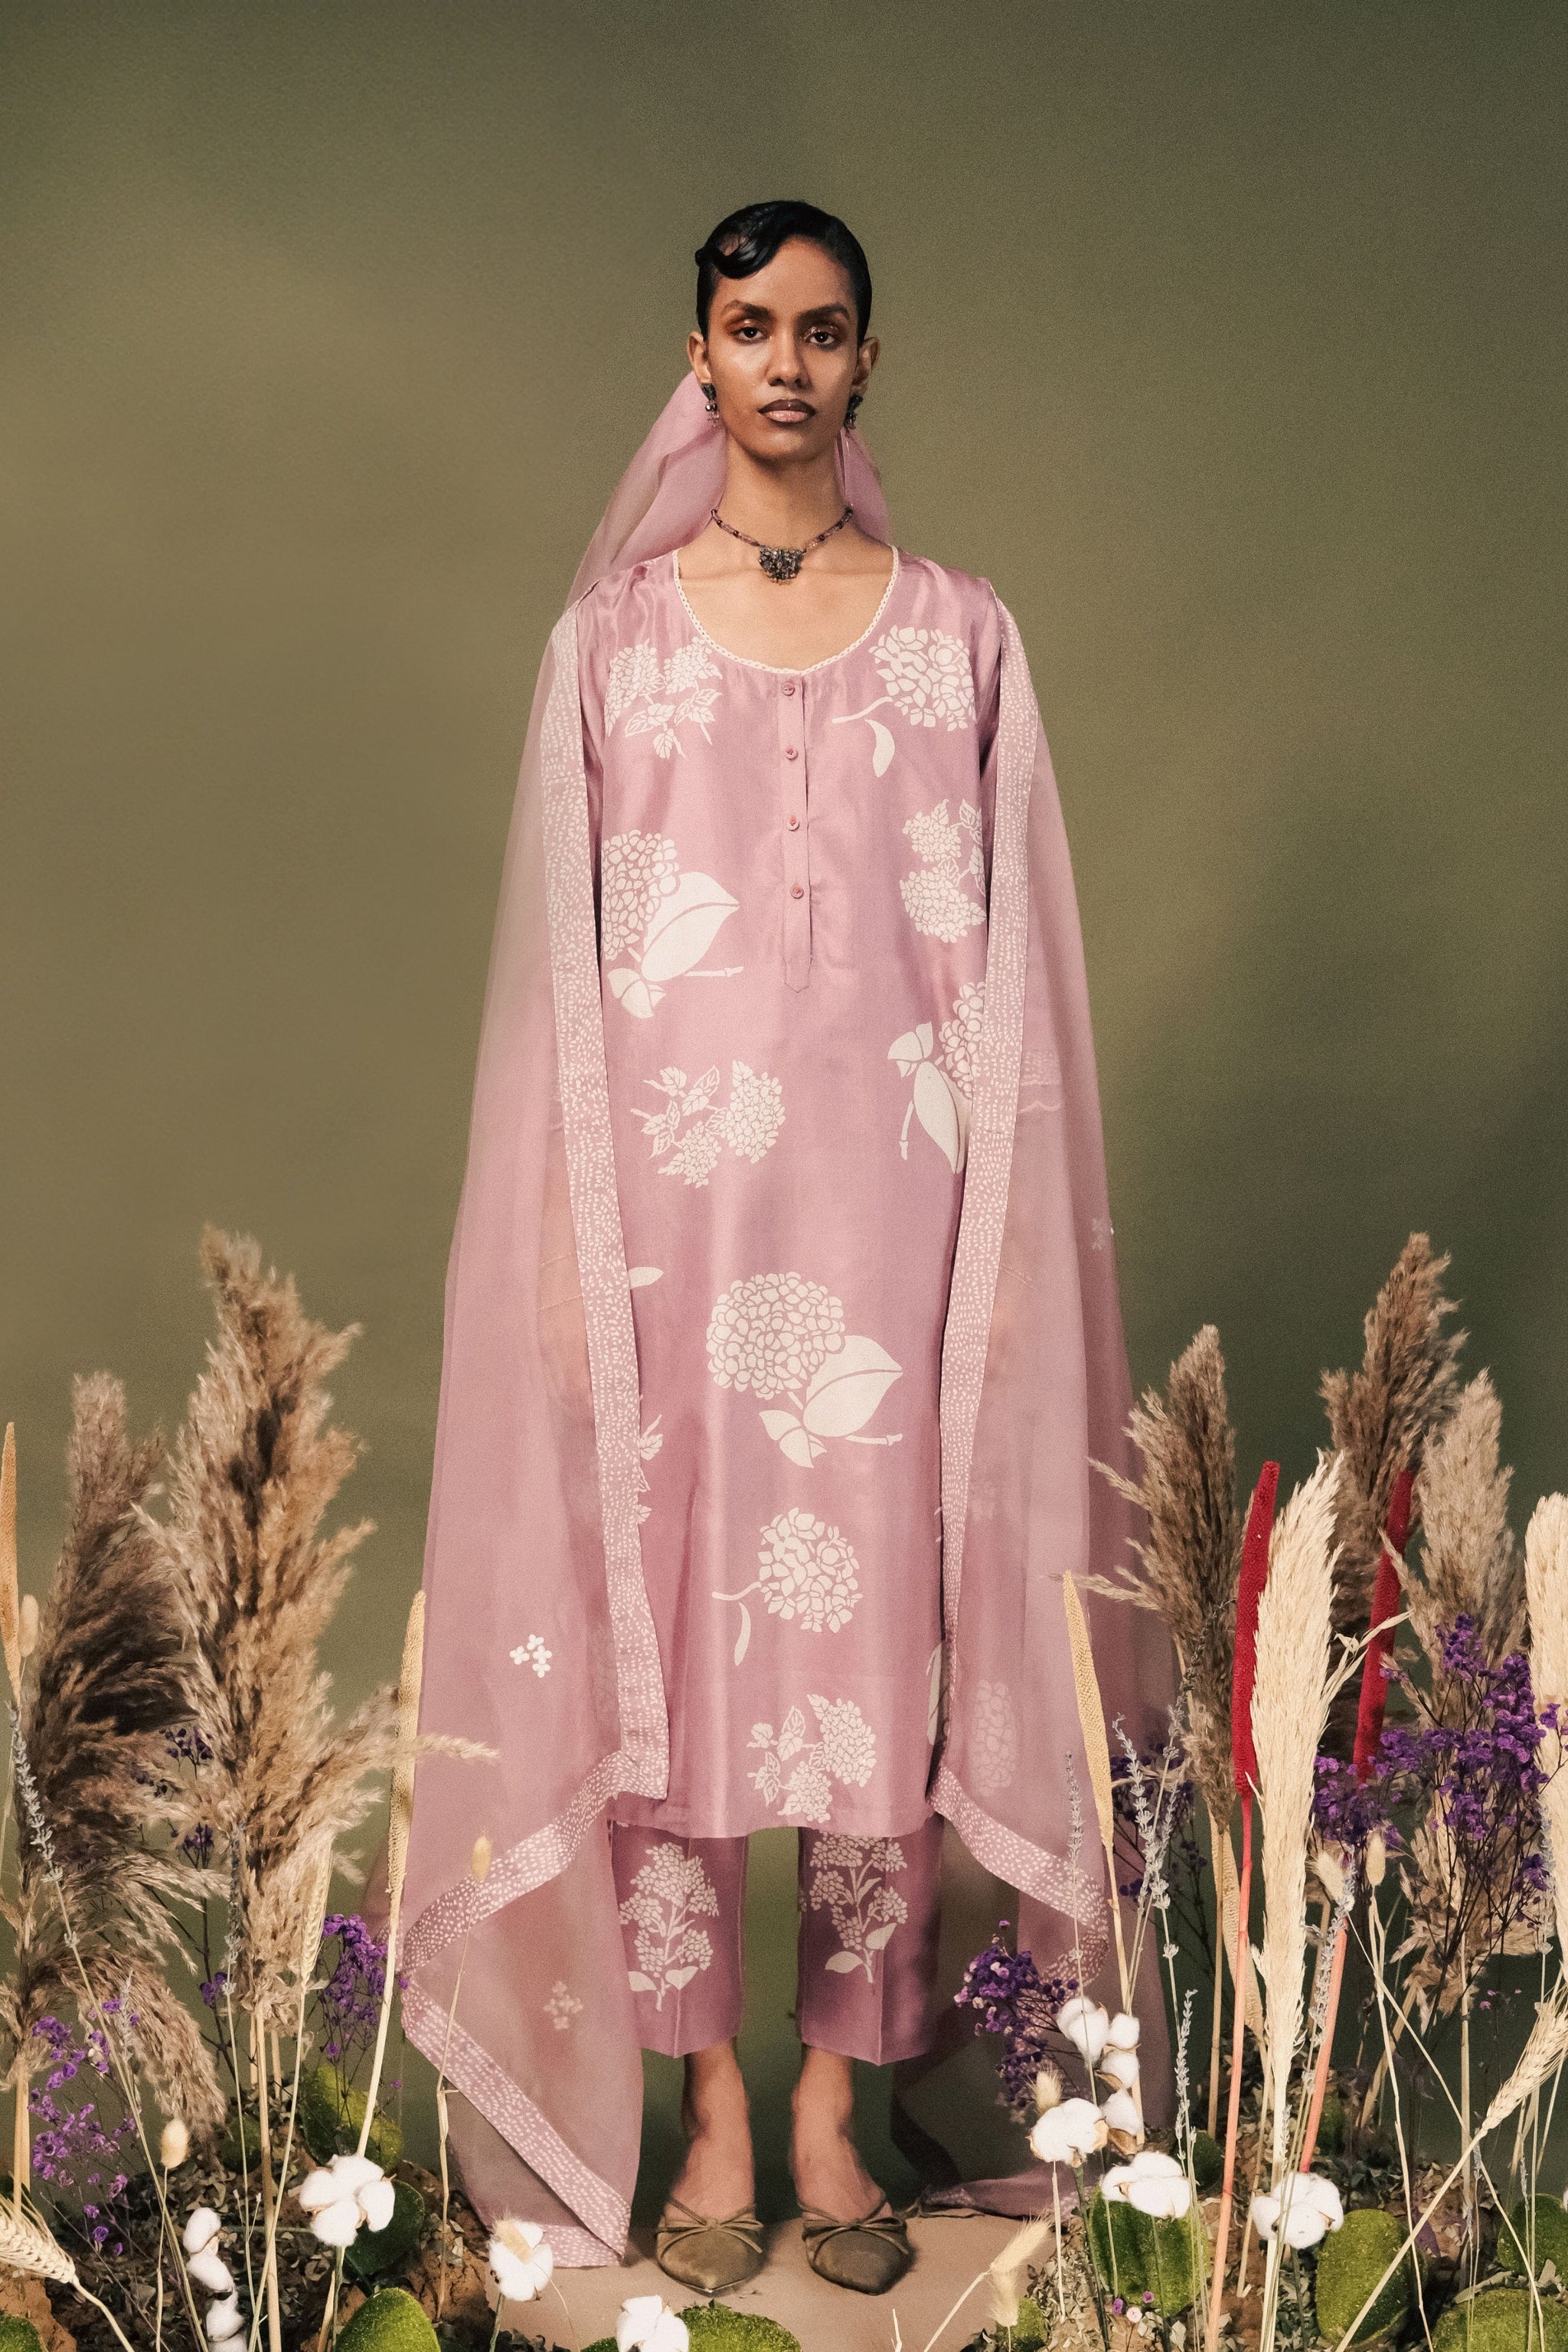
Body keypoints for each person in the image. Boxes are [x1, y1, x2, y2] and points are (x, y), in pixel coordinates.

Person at [398, 200, 1170, 2301]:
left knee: (877, 1677)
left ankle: (833, 2108)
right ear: (701, 354)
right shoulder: (610, 649)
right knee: (671, 1673)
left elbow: (1021, 988)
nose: (788, 366)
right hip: (666, 1244)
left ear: (868, 360)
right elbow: (555, 1000)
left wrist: (1009, 1275)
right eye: (751, 328)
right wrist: (562, 1268)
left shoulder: (964, 638)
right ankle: (710, 2111)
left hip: (903, 1245)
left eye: (824, 331)